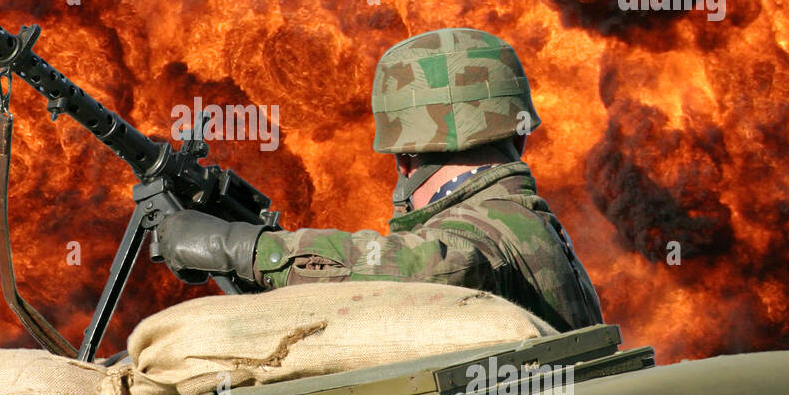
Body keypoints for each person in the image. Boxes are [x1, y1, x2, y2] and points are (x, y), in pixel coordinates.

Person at [156, 28, 604, 333]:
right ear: (516, 135)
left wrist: (242, 248)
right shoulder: (519, 217)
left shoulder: (488, 232)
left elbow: (432, 265)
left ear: (406, 160)